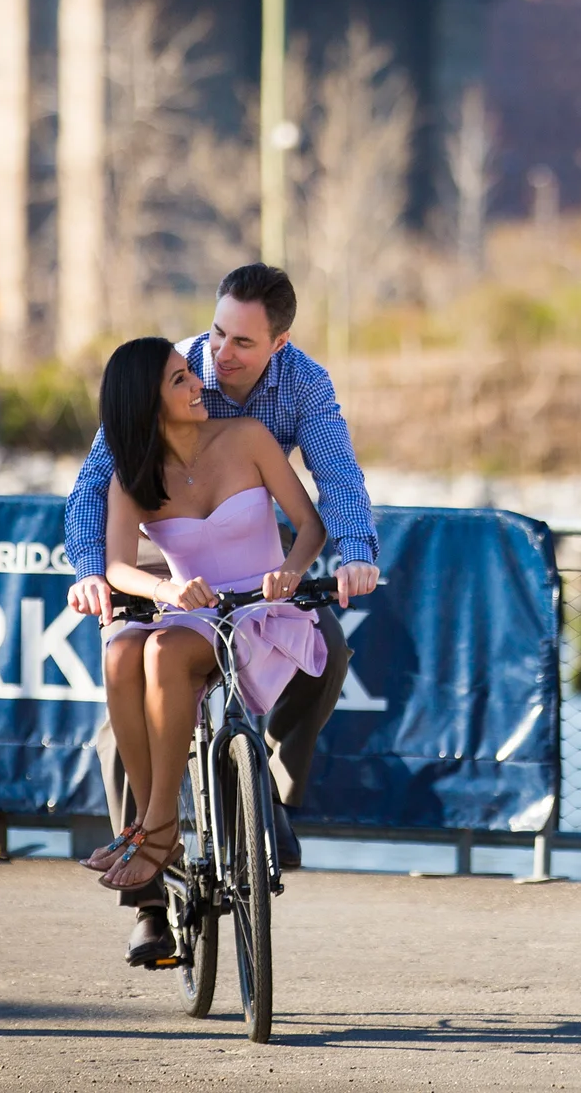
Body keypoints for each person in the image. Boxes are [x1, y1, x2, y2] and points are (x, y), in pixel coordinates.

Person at [64, 263, 379, 964]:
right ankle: (148, 900)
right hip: (160, 561)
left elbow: (338, 480)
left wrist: (352, 551)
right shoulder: (164, 374)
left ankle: (271, 787)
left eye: (242, 341)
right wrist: (92, 573)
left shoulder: (302, 386)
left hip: (256, 565)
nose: (218, 356)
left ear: (280, 342)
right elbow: (93, 488)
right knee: (125, 691)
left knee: (328, 649)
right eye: (215, 332)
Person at [82, 335, 333, 895]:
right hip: (192, 611)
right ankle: (148, 824)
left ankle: (159, 830)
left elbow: (311, 525)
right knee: (122, 649)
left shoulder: (247, 437)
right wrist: (166, 590)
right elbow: (118, 566)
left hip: (263, 611)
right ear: (146, 401)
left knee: (163, 650)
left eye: (190, 374)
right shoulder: (132, 473)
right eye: (180, 380)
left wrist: (290, 572)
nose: (199, 383)